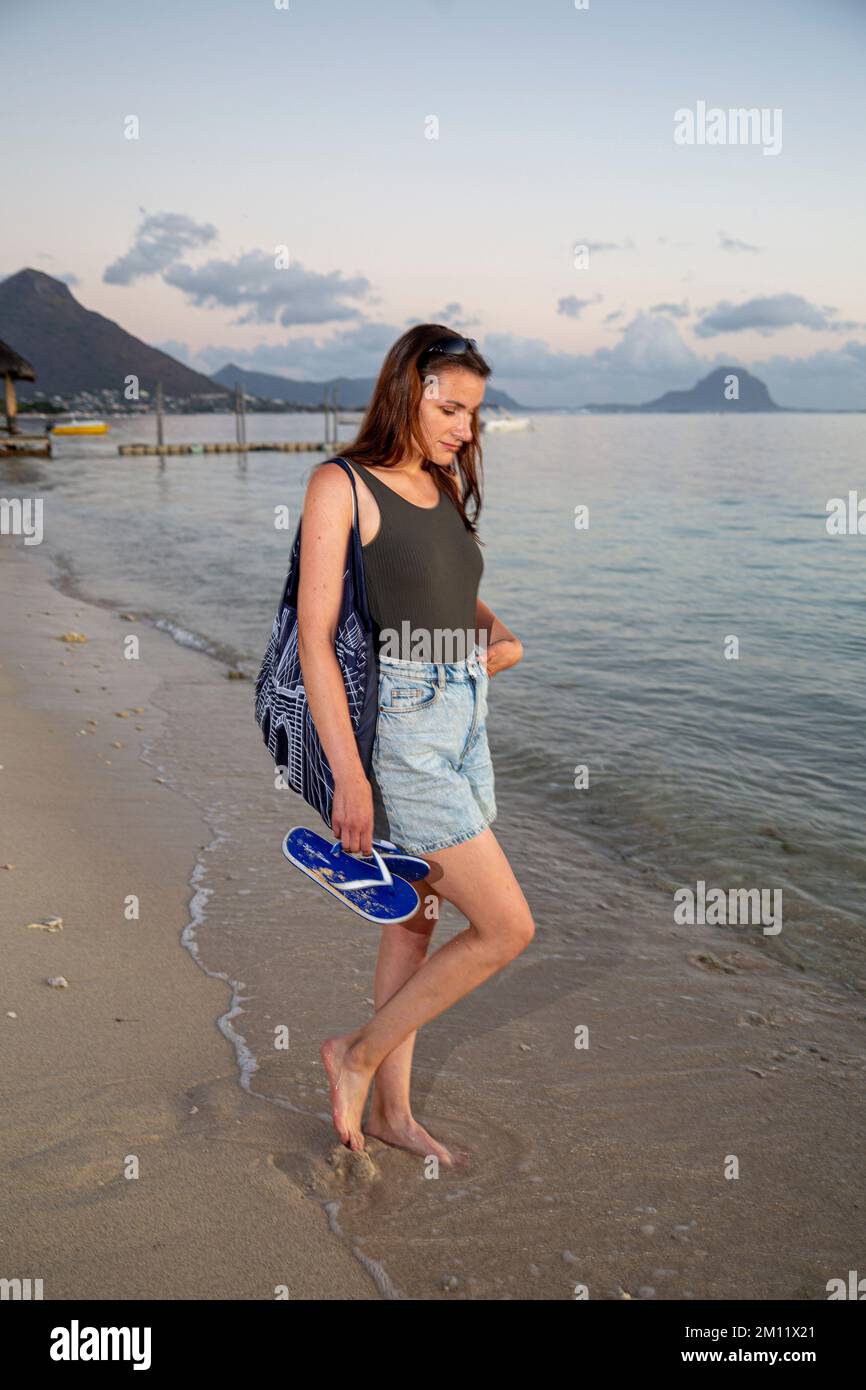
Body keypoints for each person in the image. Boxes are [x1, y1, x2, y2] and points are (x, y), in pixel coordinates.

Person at [297, 325, 535, 1164]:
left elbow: (453, 595)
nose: (465, 429)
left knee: (414, 925)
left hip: (464, 719)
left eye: (474, 412)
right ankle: (353, 1055)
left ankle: (394, 1112)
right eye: (451, 407)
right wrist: (350, 778)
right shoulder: (342, 486)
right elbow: (318, 640)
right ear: (406, 391)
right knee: (507, 927)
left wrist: (498, 639)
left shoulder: (441, 485)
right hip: (400, 731)